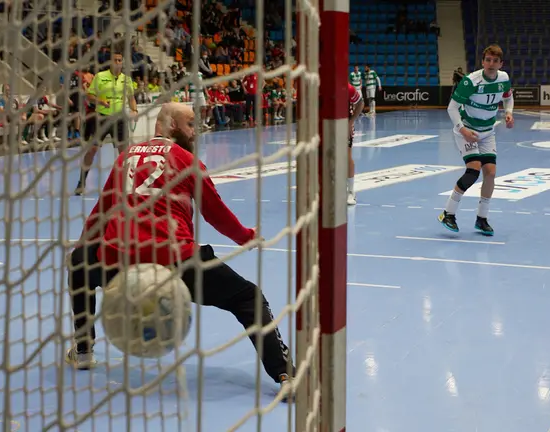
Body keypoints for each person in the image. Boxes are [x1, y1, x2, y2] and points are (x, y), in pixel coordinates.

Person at [66, 102, 294, 397]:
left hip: (119, 262)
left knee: (79, 263)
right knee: (248, 298)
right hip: (175, 261)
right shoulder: (186, 160)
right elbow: (215, 212)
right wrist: (245, 237)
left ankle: (83, 349)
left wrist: (84, 246)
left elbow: (101, 211)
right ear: (171, 125)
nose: (195, 132)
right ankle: (285, 373)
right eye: (190, 124)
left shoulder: (124, 158)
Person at [439, 44, 514, 236]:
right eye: (488, 60)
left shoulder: (504, 78)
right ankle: (448, 213)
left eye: (495, 61)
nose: (491, 64)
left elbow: (508, 97)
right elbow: (452, 108)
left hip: (487, 131)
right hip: (467, 130)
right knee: (473, 170)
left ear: (500, 63)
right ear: (483, 61)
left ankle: (481, 219)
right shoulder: (471, 81)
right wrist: (462, 130)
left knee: (490, 173)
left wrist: (508, 112)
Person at [74, 43, 138, 195]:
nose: (117, 63)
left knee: (125, 153)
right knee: (92, 150)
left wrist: (134, 109)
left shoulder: (126, 80)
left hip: (120, 119)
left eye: (119, 60)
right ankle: (81, 182)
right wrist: (100, 101)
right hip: (101, 118)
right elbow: (89, 95)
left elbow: (131, 98)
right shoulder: (100, 77)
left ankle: (127, 184)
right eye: (115, 60)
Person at [347, 82, 365, 205]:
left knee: (346, 157)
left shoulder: (347, 88)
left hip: (344, 125)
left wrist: (351, 122)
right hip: (326, 125)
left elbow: (360, 103)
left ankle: (350, 191)